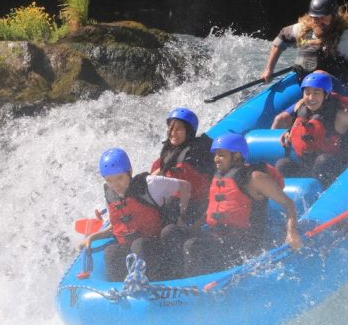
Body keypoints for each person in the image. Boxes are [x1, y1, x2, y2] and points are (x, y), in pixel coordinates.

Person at [183, 133, 302, 277]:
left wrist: (291, 232)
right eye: (216, 155)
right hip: (218, 238)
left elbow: (288, 204)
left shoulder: (255, 178)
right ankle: (170, 279)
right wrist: (192, 228)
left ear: (237, 156)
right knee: (173, 232)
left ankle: (193, 285)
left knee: (193, 246)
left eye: (221, 155)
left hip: (243, 245)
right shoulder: (220, 176)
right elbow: (213, 209)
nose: (216, 159)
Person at [80, 148, 192, 282]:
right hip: (132, 251)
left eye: (120, 178)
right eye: (109, 180)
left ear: (130, 172)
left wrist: (181, 215)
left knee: (139, 245)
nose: (115, 185)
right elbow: (116, 226)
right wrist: (92, 237)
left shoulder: (150, 184)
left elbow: (185, 186)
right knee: (111, 252)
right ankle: (122, 289)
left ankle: (155, 285)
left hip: (158, 247)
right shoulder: (110, 196)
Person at [260, 0, 348, 94]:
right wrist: (269, 69)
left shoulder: (347, 39)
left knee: (319, 74)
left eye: (323, 17)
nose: (318, 22)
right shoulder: (304, 29)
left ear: (334, 16)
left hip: (338, 90)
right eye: (315, 17)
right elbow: (281, 39)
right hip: (310, 88)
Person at [149, 107, 214, 224]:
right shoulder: (169, 152)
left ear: (188, 132)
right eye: (171, 128)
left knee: (169, 204)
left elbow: (182, 179)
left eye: (179, 129)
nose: (173, 133)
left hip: (196, 204)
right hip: (180, 200)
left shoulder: (195, 153)